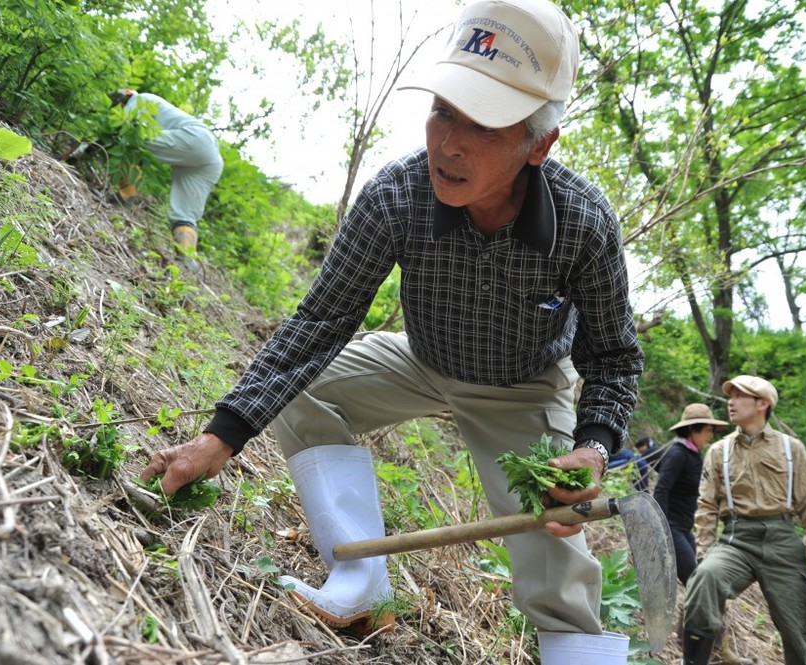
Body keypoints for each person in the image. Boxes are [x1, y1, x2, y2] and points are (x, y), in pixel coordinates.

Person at [140, 0, 643, 661]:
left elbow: (611, 358)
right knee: (304, 386)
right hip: (424, 357)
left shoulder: (583, 223)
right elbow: (322, 320)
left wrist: (593, 448)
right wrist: (221, 435)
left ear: (539, 145)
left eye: (485, 126)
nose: (450, 143)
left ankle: (577, 652)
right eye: (442, 111)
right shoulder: (397, 196)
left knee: (551, 536)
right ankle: (359, 582)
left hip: (523, 385)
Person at [681, 376, 806, 665]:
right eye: (730, 396)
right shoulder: (719, 451)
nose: (730, 401)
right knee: (704, 579)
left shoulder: (792, 449)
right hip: (736, 540)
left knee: (798, 627)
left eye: (740, 396)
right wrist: (704, 553)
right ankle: (692, 661)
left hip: (783, 542)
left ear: (762, 403)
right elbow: (705, 508)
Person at [108, 89, 224, 270]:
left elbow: (125, 133)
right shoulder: (157, 104)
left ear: (127, 96)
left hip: (193, 138)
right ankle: (187, 261)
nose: (119, 109)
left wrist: (81, 152)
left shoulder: (138, 100)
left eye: (119, 104)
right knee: (184, 215)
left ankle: (125, 195)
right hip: (210, 156)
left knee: (132, 139)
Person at [653, 404, 727, 586]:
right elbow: (662, 489)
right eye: (708, 430)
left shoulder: (693, 454)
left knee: (702, 577)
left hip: (685, 528)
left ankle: (690, 614)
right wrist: (660, 525)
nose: (711, 435)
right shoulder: (678, 453)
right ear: (693, 429)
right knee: (696, 582)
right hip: (671, 527)